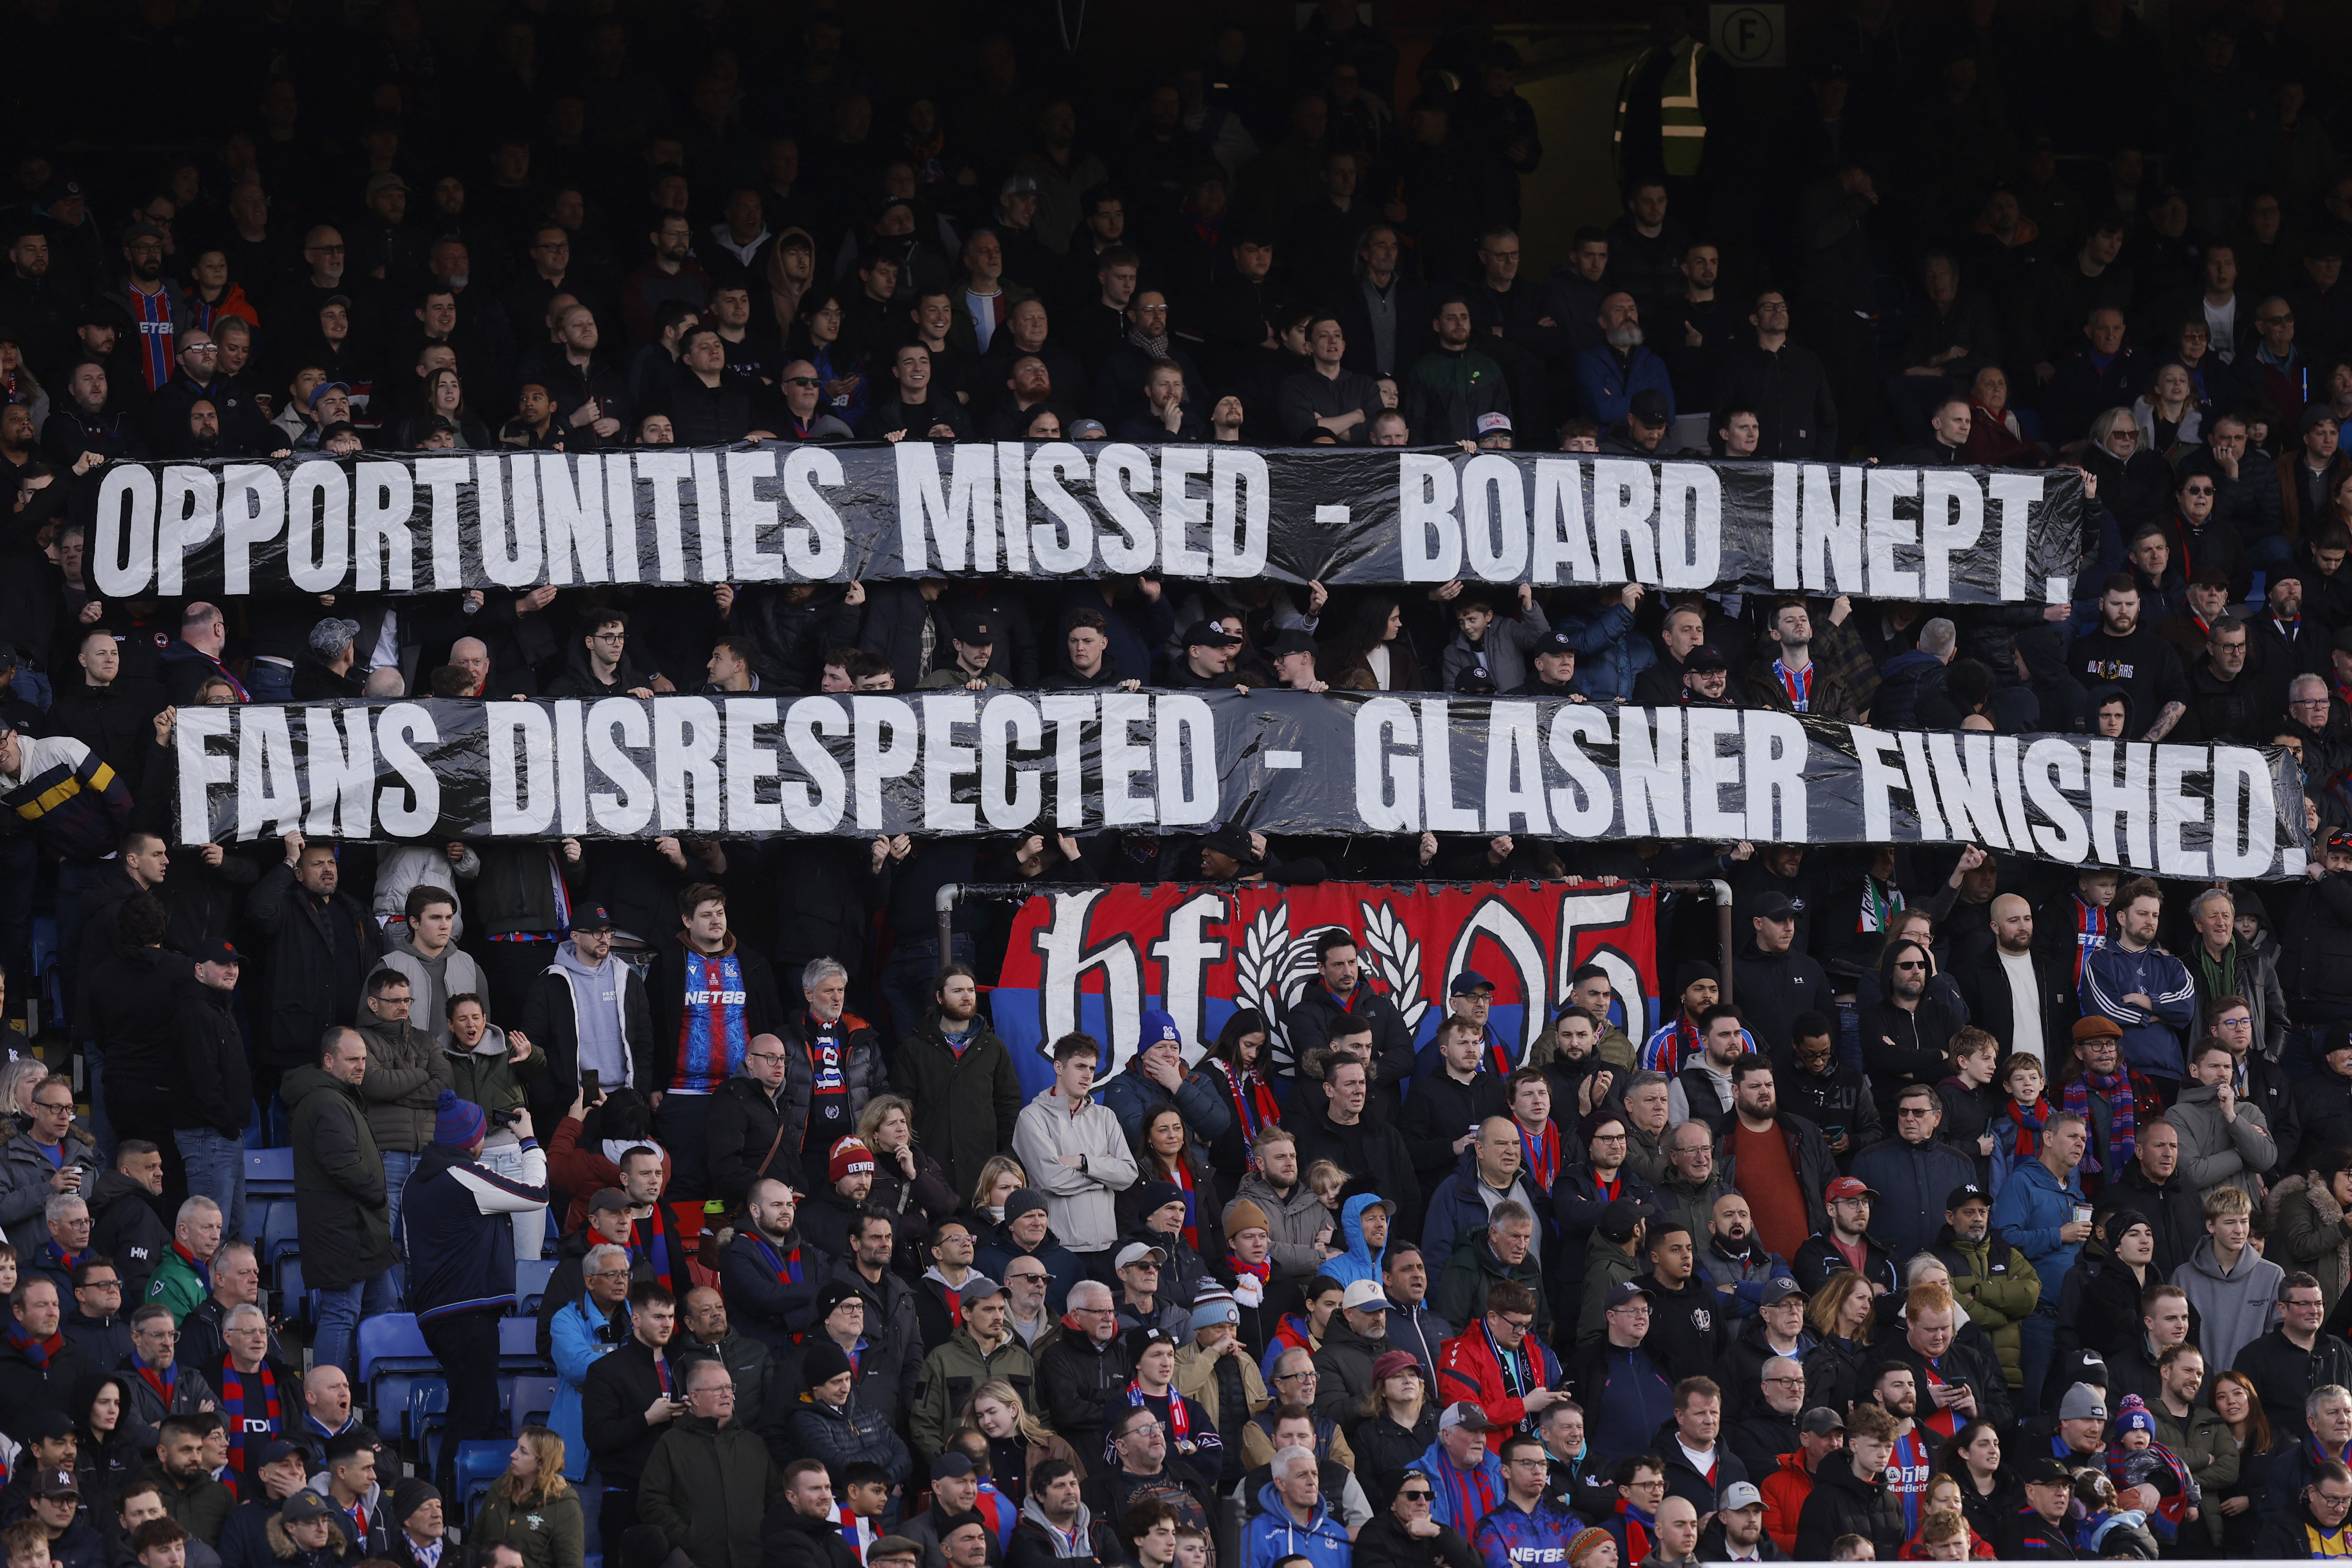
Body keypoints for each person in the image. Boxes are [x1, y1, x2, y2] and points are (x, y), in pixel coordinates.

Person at [402, 1091, 548, 1494]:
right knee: (473, 1413)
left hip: (438, 1312)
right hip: (467, 1313)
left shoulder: (416, 1182)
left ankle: (480, 1503)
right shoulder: (468, 1176)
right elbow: (537, 1193)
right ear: (472, 1140)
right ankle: (446, 1507)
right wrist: (530, 1141)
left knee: (481, 1411)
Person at [285, 1029, 397, 1376]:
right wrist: (379, 1194)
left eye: (364, 1059)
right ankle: (327, 1396)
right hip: (342, 1231)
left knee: (384, 1303)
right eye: (353, 1060)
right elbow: (343, 1165)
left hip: (360, 1231)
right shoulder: (326, 1102)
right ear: (329, 1061)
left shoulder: (338, 1096)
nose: (361, 1066)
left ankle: (368, 1393)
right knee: (341, 1313)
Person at [1990, 1112, 2091, 1416]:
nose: (2080, 1144)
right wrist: (2057, 1235)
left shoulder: (2075, 1191)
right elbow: (2003, 1241)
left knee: (2063, 1412)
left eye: (2084, 1139)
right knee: (2031, 1409)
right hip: (2035, 1319)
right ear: (2048, 1139)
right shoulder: (2022, 1182)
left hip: (2071, 1319)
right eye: (2072, 1137)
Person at [635, 1357, 779, 1568]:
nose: (727, 1394)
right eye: (717, 1389)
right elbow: (651, 1502)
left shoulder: (754, 1444)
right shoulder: (671, 1444)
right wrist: (687, 1538)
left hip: (754, 1560)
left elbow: (777, 1496)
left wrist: (766, 1536)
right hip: (697, 1561)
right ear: (695, 1397)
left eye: (730, 1387)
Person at [897, 966, 1025, 1203]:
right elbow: (903, 1107)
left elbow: (1008, 1105)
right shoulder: (914, 1047)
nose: (967, 997)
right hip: (931, 1165)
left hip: (981, 1166)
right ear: (940, 997)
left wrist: (1008, 1154)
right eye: (958, 991)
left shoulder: (993, 1047)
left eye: (971, 990)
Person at [1013, 1035, 1139, 1265]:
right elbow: (1052, 1179)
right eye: (1080, 1066)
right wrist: (1105, 1176)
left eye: (1092, 1068)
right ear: (1058, 1067)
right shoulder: (1032, 1117)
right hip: (1059, 1249)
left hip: (1107, 1246)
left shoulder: (1106, 1117)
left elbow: (1129, 1175)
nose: (1088, 1075)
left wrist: (1083, 1162)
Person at [2173, 1184, 2283, 1377]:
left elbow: (2279, 1340)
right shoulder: (2183, 1277)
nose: (2240, 1230)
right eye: (2230, 1222)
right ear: (2211, 1226)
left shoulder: (2272, 1276)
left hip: (2252, 1389)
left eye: (2244, 1221)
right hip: (2196, 1389)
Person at [1794, 1403, 1905, 1560]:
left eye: (1888, 1447)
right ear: (1853, 1445)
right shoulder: (1822, 1500)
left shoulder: (1892, 1502)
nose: (1883, 1454)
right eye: (1875, 1446)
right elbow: (1811, 1558)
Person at [471, 1428, 586, 1568]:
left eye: (523, 1451)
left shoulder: (565, 1505)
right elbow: (475, 1545)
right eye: (517, 1447)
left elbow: (571, 1564)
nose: (513, 1455)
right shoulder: (500, 1487)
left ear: (542, 1463)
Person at [1353, 1466, 1479, 1568]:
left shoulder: (1436, 1531)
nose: (1422, 1502)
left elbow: (1477, 1565)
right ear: (1392, 1503)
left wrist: (1439, 1534)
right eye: (1413, 1496)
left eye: (1428, 1496)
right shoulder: (1373, 1536)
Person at [763, 1460, 862, 1568]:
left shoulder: (836, 1541)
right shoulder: (782, 1542)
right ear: (792, 1497)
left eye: (828, 1487)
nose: (825, 1496)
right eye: (815, 1489)